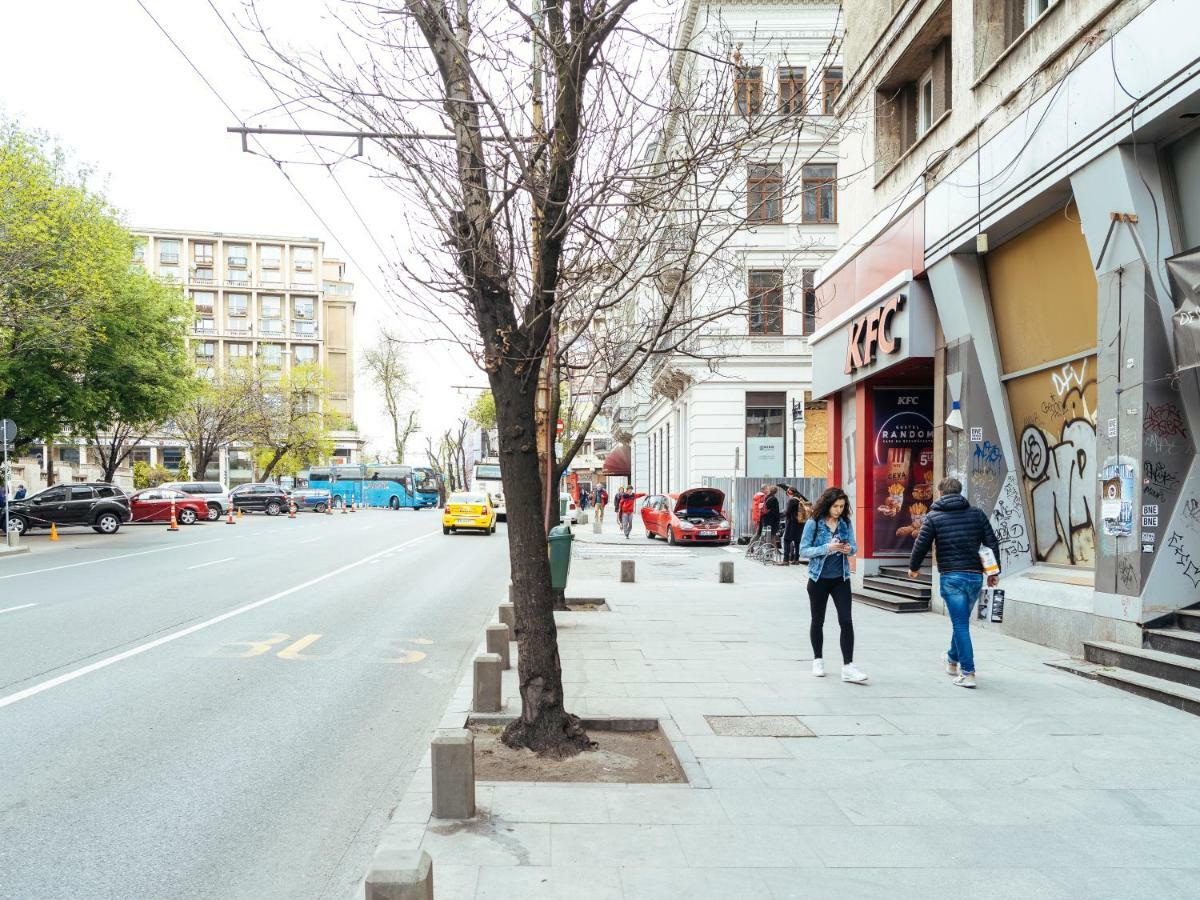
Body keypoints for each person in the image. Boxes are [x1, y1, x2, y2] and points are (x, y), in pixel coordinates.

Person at [908, 476, 1000, 689]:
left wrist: (914, 568)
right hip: (975, 577)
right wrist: (993, 572)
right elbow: (991, 542)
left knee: (960, 624)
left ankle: (967, 673)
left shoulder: (933, 517)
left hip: (952, 578)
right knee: (962, 623)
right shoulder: (976, 514)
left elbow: (921, 545)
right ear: (960, 493)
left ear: (940, 493)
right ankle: (951, 661)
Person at [799, 486, 868, 684]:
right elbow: (803, 550)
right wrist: (826, 548)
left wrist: (848, 549)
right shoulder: (814, 523)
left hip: (841, 579)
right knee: (817, 621)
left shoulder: (845, 523)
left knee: (846, 621)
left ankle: (848, 666)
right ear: (827, 505)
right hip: (818, 580)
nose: (839, 510)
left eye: (842, 506)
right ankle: (818, 660)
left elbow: (854, 547)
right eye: (836, 506)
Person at [782, 487, 804, 566]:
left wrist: (782, 513)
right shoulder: (800, 499)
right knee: (797, 541)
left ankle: (786, 560)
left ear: (790, 493)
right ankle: (796, 559)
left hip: (792, 523)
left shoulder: (792, 500)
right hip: (800, 523)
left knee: (787, 540)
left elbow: (788, 512)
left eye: (787, 493)